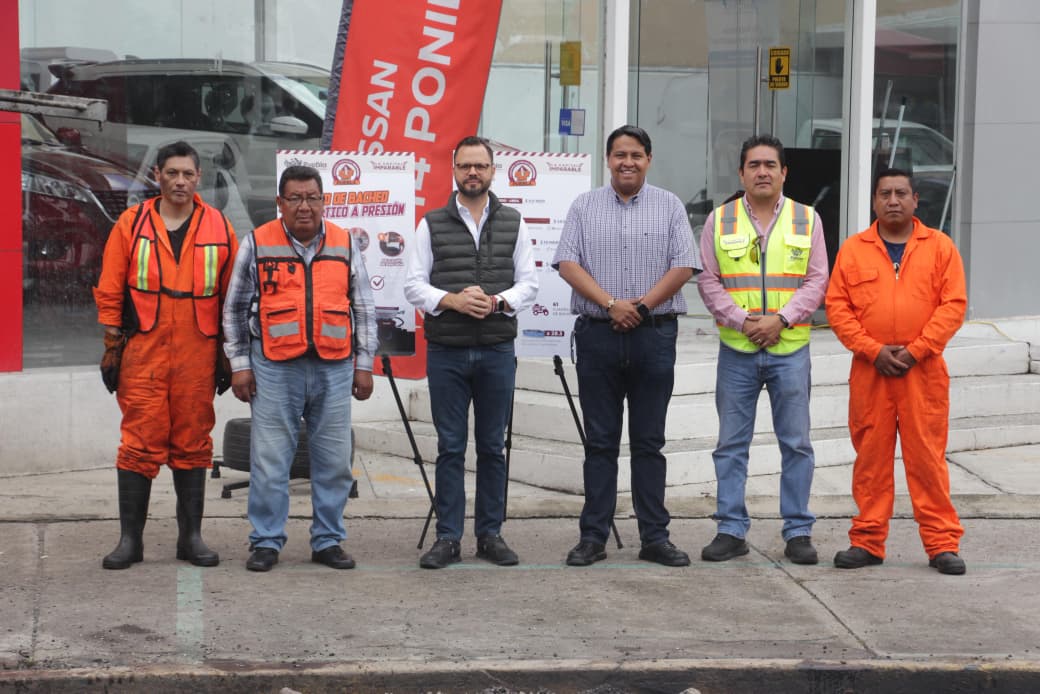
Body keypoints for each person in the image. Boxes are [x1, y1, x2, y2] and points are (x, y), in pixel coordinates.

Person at [552, 124, 700, 568]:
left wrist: (640, 306)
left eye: (636, 155)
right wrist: (611, 304)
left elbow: (684, 264)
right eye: (620, 155)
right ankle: (592, 537)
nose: (627, 162)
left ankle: (655, 537)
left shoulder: (669, 206)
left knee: (649, 442)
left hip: (654, 335)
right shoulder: (584, 206)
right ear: (608, 159)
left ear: (648, 160)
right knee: (600, 443)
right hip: (598, 335)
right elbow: (567, 262)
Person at [223, 165, 378, 572]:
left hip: (335, 367)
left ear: (324, 201)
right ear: (280, 202)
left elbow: (363, 307)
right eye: (295, 198)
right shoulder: (257, 243)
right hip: (274, 367)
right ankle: (266, 541)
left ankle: (328, 540)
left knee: (335, 461)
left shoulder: (345, 243)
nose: (304, 206)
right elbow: (234, 309)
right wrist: (240, 365)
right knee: (269, 461)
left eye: (312, 198)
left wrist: (364, 364)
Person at [94, 140, 238, 570]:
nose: (180, 181)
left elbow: (233, 297)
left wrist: (229, 355)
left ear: (199, 178)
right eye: (171, 173)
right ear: (156, 175)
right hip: (144, 353)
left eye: (187, 174)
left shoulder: (219, 227)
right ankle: (130, 541)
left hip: (198, 352)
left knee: (193, 442)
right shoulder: (131, 224)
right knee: (138, 442)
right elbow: (110, 288)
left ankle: (190, 538)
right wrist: (112, 348)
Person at [404, 135, 538, 569]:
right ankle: (448, 538)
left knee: (493, 446)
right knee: (450, 446)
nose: (473, 173)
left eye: (480, 165)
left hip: (497, 350)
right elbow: (413, 284)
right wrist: (452, 301)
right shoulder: (431, 223)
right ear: (454, 171)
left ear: (493, 171)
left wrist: (496, 302)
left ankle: (490, 535)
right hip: (447, 351)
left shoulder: (514, 222)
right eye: (465, 166)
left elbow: (529, 284)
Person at [826, 168, 967, 575]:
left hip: (923, 373)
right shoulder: (854, 250)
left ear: (915, 200)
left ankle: (942, 545)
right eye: (884, 193)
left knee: (927, 461)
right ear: (874, 201)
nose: (893, 200)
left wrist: (916, 351)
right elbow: (837, 307)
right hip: (871, 373)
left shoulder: (940, 247)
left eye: (901, 193)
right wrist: (872, 350)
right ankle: (867, 542)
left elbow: (953, 305)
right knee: (871, 462)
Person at [696, 134, 828, 565]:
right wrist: (743, 321)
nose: (762, 172)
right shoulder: (720, 220)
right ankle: (730, 530)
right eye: (754, 165)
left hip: (790, 350)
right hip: (738, 349)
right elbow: (708, 280)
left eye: (770, 164)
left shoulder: (807, 219)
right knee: (731, 445)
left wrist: (781, 320)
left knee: (797, 444)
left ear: (784, 172)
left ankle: (798, 532)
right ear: (741, 173)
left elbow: (817, 280)